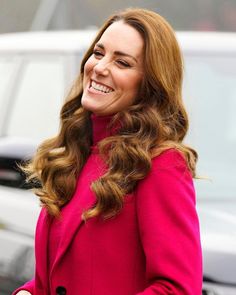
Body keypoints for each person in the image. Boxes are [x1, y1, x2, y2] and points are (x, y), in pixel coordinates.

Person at [13, 7, 202, 295]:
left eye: (122, 63)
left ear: (149, 84)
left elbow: (176, 289)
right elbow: (62, 277)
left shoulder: (161, 164)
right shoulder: (75, 153)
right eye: (98, 53)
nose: (100, 67)